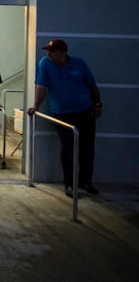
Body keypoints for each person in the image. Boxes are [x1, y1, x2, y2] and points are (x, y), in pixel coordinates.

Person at [27, 39, 102, 198]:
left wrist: (97, 104)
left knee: (87, 147)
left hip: (84, 111)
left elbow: (92, 85)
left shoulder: (79, 64)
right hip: (62, 113)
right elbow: (42, 87)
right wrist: (36, 106)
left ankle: (85, 181)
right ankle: (69, 183)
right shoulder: (45, 64)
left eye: (51, 51)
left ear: (61, 52)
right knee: (68, 147)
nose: (48, 54)